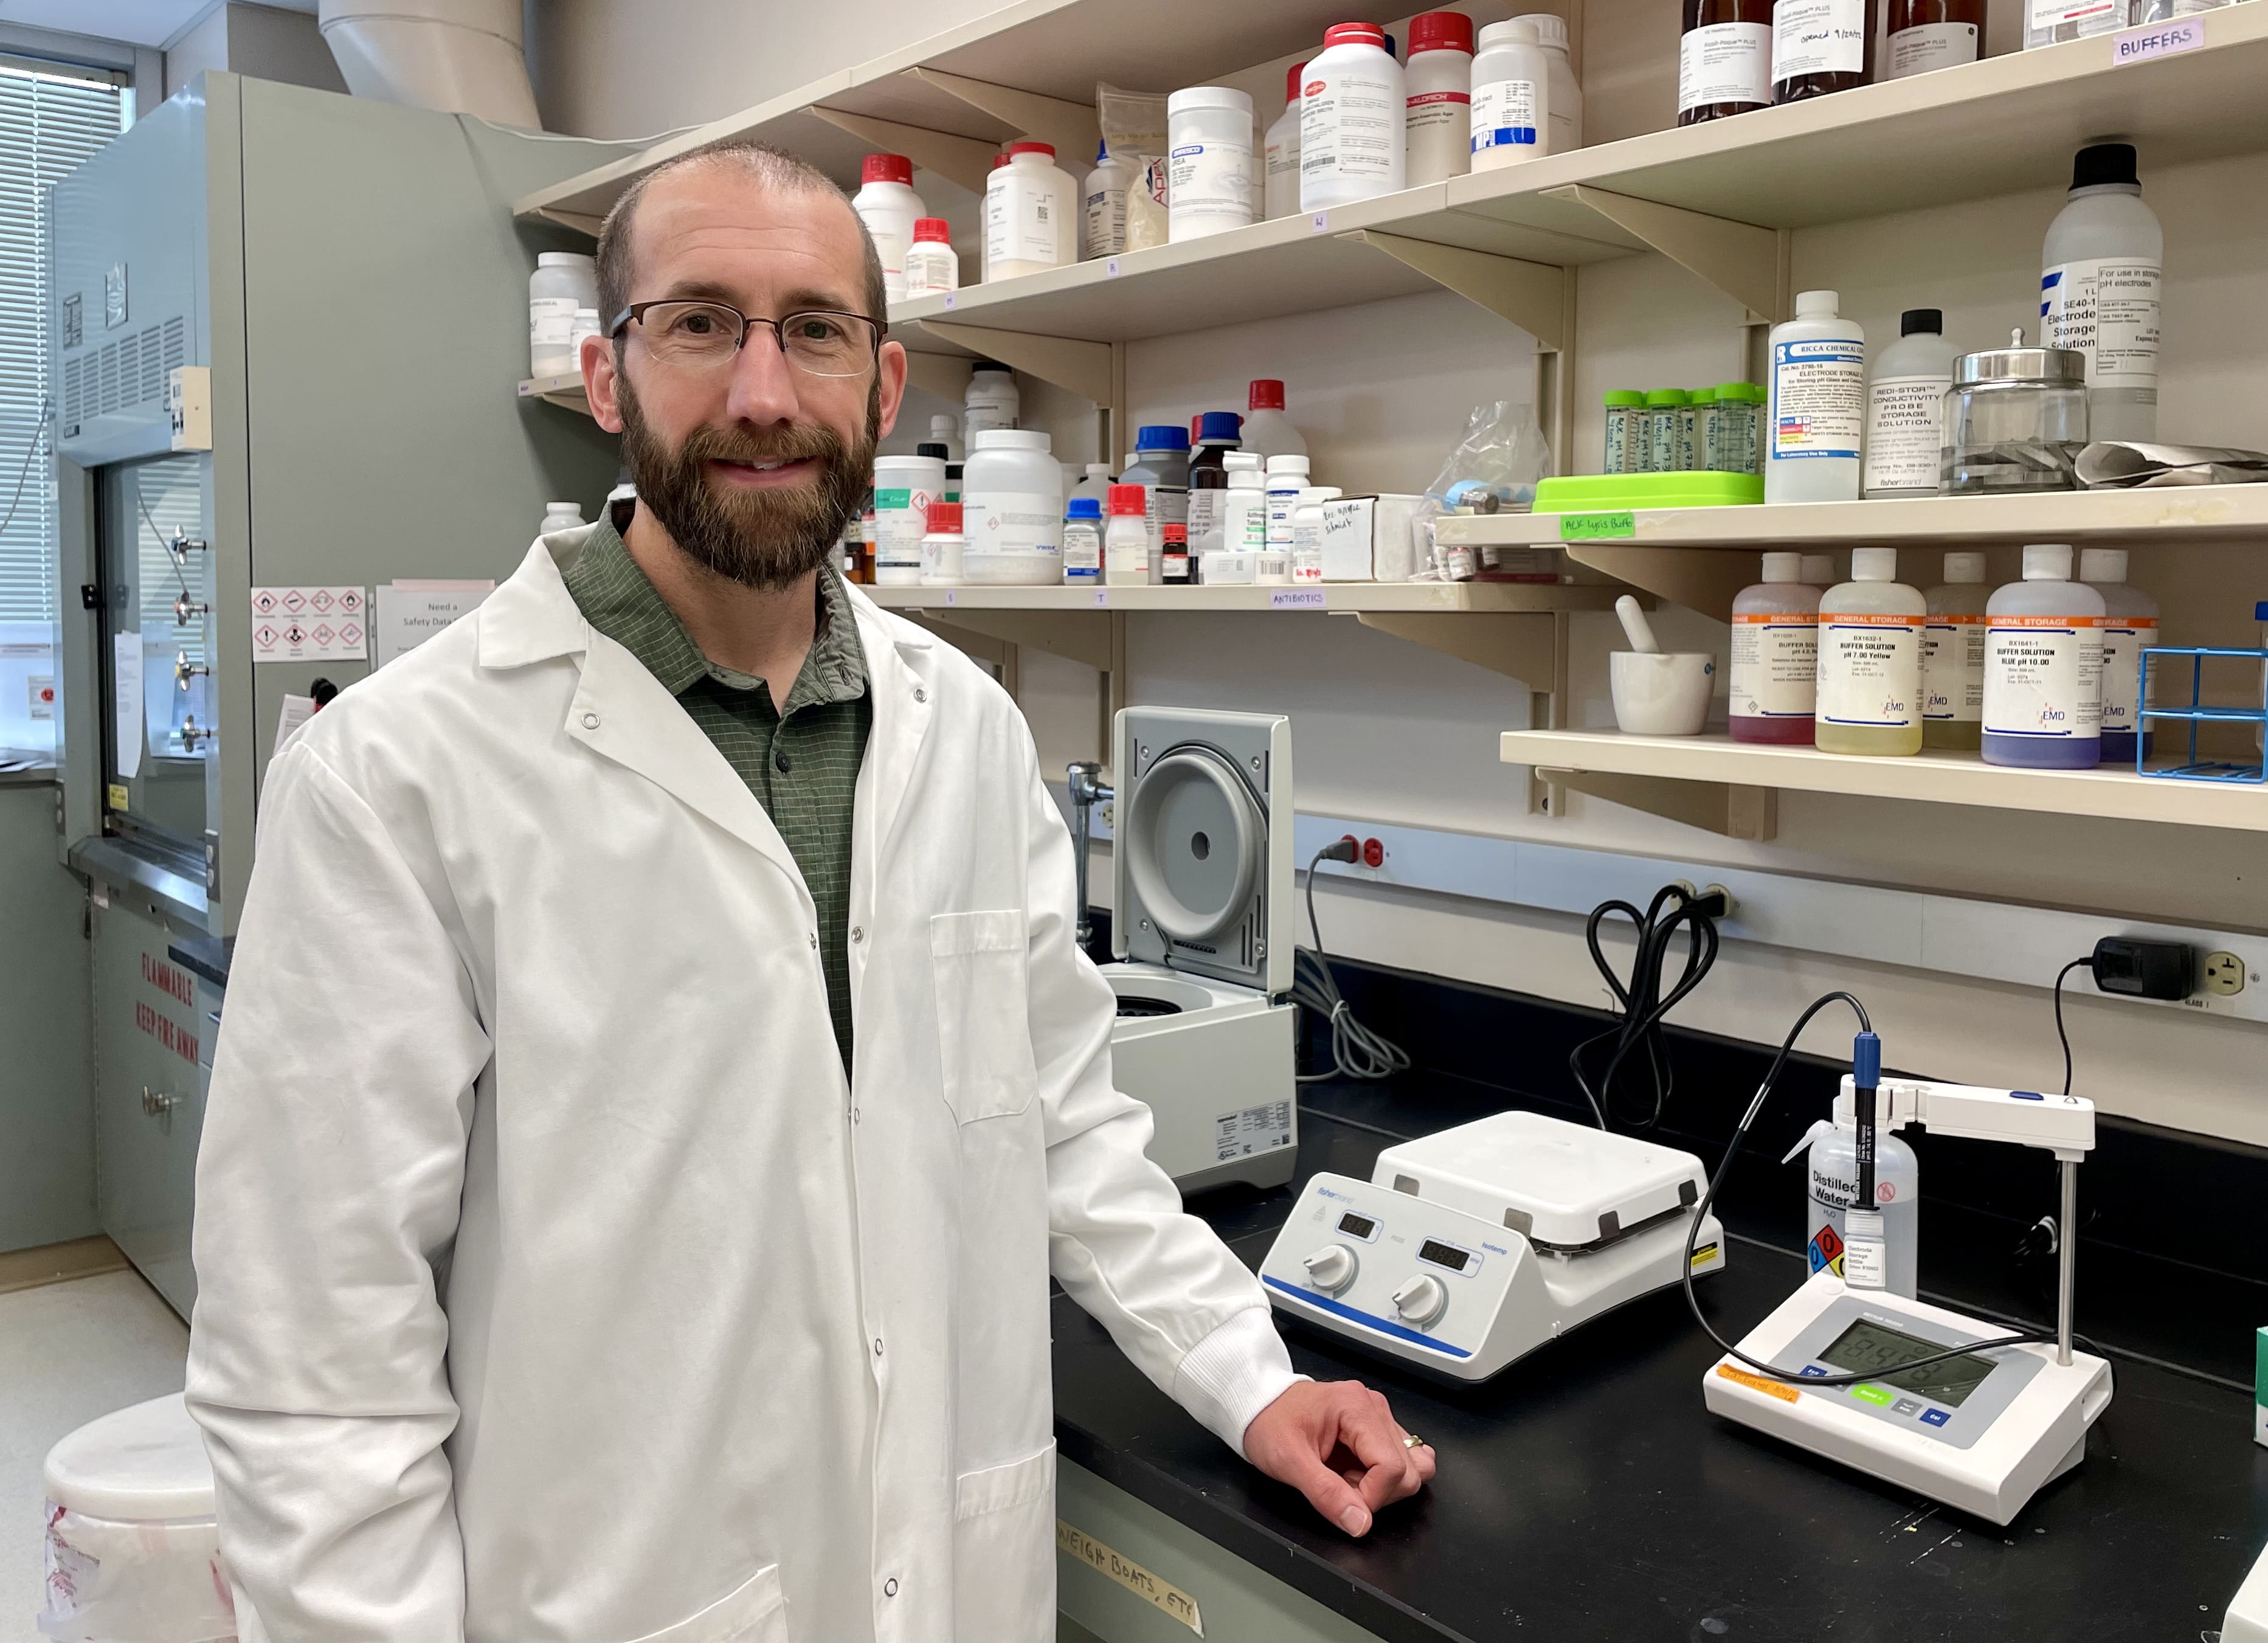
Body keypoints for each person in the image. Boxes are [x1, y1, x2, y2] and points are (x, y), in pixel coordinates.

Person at [185, 140, 1433, 1643]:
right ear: (606, 377)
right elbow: (315, 1366)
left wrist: (1254, 1377)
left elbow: (1063, 1130)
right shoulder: (396, 777)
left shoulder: (964, 732)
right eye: (700, 322)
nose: (764, 393)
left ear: (883, 391)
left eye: (815, 332)